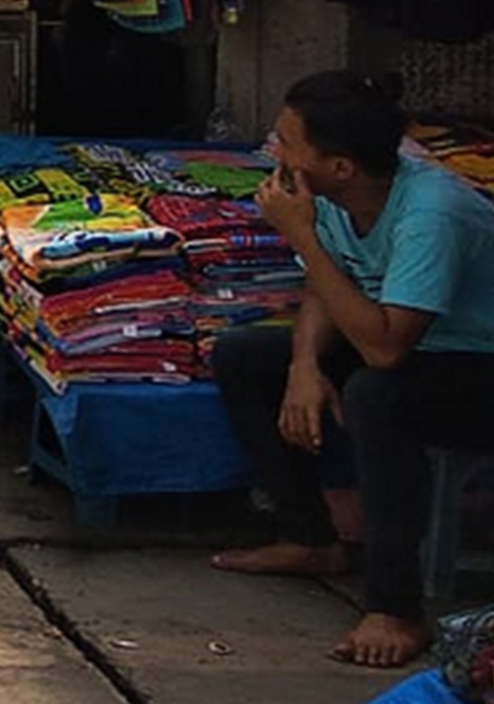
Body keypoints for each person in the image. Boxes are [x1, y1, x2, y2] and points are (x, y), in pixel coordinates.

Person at [210, 71, 494, 668]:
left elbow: (386, 350)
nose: (273, 151)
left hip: (475, 363)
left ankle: (396, 608)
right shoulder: (332, 200)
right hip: (406, 342)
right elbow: (327, 284)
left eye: (287, 142)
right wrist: (304, 366)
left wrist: (300, 236)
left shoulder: (430, 213)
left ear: (340, 166)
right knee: (242, 356)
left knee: (376, 393)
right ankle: (309, 537)